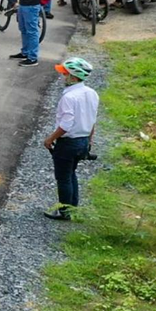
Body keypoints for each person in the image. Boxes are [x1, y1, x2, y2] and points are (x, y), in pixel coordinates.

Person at [42, 57, 99, 221]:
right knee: (71, 173)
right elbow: (92, 119)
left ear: (73, 77)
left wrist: (50, 139)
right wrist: (89, 141)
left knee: (63, 178)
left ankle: (65, 211)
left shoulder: (69, 97)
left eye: (65, 74)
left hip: (68, 143)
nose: (63, 77)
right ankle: (73, 208)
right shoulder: (92, 93)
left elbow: (66, 125)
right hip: (83, 140)